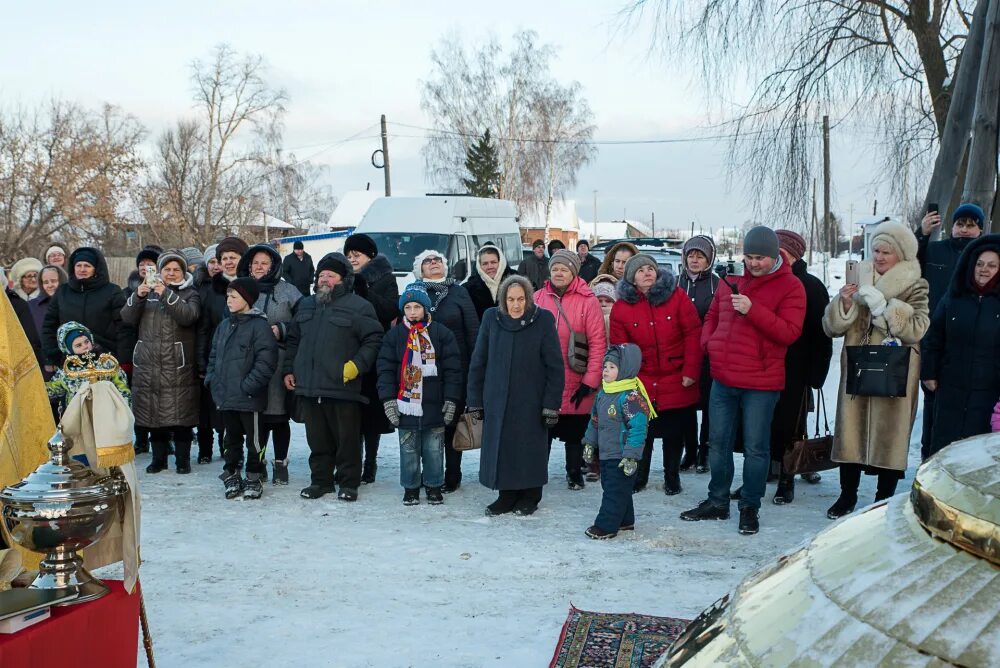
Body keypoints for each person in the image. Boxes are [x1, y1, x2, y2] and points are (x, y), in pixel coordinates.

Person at [680, 226, 805, 535]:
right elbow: (712, 316)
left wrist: (754, 310)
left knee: (756, 448)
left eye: (760, 257)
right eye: (748, 256)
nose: (753, 263)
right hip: (723, 377)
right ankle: (718, 502)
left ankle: (750, 506)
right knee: (718, 444)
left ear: (775, 255)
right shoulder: (731, 280)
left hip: (761, 382)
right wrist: (710, 343)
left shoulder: (791, 286)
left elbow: (789, 332)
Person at [823, 220, 928, 519]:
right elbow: (832, 327)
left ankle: (883, 499)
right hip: (858, 365)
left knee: (890, 435)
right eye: (876, 250)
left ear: (902, 254)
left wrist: (884, 308)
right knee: (851, 432)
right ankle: (847, 495)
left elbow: (917, 328)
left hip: (896, 370)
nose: (879, 257)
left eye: (887, 252)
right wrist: (844, 302)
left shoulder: (916, 284)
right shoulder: (859, 280)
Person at [283, 253, 383, 501]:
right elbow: (294, 340)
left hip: (343, 386)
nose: (324, 279)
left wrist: (356, 366)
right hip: (309, 385)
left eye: (331, 275)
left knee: (347, 440)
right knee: (317, 440)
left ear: (343, 280)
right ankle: (321, 482)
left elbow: (373, 339)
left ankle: (349, 484)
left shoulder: (359, 306)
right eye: (321, 275)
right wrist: (289, 369)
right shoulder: (306, 305)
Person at [467, 275, 565, 516]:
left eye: (521, 299)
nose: (516, 305)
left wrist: (551, 404)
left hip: (531, 399)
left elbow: (555, 366)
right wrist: (475, 401)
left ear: (528, 299)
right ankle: (506, 494)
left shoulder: (543, 320)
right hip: (497, 398)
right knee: (502, 447)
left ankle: (530, 496)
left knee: (529, 448)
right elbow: (479, 361)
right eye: (511, 299)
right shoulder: (491, 318)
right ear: (503, 300)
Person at [610, 254, 702, 494]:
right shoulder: (622, 308)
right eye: (641, 271)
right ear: (632, 279)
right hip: (641, 381)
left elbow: (693, 334)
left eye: (651, 268)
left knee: (674, 432)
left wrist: (691, 370)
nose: (647, 273)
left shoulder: (677, 297)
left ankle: (672, 477)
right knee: (642, 432)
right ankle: (640, 476)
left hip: (676, 377)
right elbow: (621, 349)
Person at [377, 283, 462, 505]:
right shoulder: (394, 336)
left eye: (417, 307)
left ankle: (434, 486)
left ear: (426, 308)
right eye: (408, 307)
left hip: (434, 405)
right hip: (405, 404)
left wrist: (451, 399)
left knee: (434, 450)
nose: (413, 312)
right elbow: (385, 369)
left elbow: (453, 369)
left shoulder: (441, 334)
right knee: (408, 451)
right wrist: (388, 400)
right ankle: (411, 487)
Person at [121, 249, 201, 475]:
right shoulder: (147, 292)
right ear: (160, 271)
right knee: (153, 413)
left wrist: (165, 293)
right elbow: (126, 317)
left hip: (177, 363)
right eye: (167, 269)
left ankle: (183, 460)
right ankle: (159, 459)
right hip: (148, 362)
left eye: (176, 270)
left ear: (183, 272)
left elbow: (188, 316)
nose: (172, 273)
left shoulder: (189, 293)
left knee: (181, 415)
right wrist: (138, 295)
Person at [767, 230, 832, 504]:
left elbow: (822, 334)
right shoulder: (764, 282)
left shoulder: (812, 286)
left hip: (796, 368)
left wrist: (816, 374)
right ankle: (764, 472)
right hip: (765, 366)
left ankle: (787, 479)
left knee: (791, 425)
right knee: (763, 423)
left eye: (780, 252)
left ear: (793, 255)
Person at [921, 234, 1000, 457]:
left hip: (988, 393)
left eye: (992, 265)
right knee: (943, 448)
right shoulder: (954, 297)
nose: (984, 270)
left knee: (977, 452)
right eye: (980, 264)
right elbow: (934, 336)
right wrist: (929, 372)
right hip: (950, 389)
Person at [534, 249, 607, 490]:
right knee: (541, 429)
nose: (559, 273)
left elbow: (598, 343)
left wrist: (591, 380)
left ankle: (574, 472)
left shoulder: (588, 301)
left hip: (577, 376)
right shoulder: (537, 299)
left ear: (574, 272)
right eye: (555, 269)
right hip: (543, 378)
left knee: (575, 432)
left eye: (564, 269)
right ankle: (536, 472)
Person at [916, 202, 984, 460]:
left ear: (980, 229)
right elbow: (911, 259)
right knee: (933, 412)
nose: (964, 230)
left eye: (971, 225)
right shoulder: (935, 250)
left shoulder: (985, 256)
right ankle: (928, 464)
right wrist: (922, 233)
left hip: (972, 346)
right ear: (951, 226)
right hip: (935, 342)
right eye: (960, 224)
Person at [205, 276, 279, 500]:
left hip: (249, 397)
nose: (228, 300)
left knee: (255, 441)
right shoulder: (225, 325)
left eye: (234, 296)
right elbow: (214, 356)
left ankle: (254, 476)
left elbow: (266, 363)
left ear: (247, 299)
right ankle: (231, 474)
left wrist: (248, 386)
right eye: (228, 296)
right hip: (226, 396)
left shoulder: (259, 326)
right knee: (230, 439)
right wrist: (212, 380)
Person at [413, 248, 480, 493]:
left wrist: (475, 367)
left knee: (451, 420)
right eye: (427, 261)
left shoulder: (459, 292)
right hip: (421, 370)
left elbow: (473, 330)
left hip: (456, 368)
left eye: (437, 260)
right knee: (426, 421)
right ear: (419, 269)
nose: (433, 263)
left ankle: (453, 472)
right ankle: (430, 471)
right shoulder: (414, 294)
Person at [237, 244, 303, 485]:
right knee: (257, 418)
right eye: (255, 262)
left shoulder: (288, 291)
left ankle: (281, 463)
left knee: (278, 417)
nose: (259, 267)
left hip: (279, 362)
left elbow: (303, 320)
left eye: (265, 263)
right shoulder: (242, 288)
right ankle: (258, 461)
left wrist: (282, 329)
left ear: (274, 266)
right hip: (249, 362)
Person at [582, 344, 653, 539]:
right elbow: (595, 422)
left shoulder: (630, 397)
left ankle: (606, 525)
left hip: (622, 455)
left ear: (625, 370)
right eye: (605, 366)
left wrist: (631, 456)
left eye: (612, 367)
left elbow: (638, 429)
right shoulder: (604, 394)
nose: (606, 370)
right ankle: (625, 519)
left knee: (614, 491)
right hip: (606, 453)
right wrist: (590, 443)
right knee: (615, 487)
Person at [344, 233, 399, 485]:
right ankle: (352, 460)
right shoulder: (342, 278)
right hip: (349, 350)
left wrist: (364, 289)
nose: (352, 259)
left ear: (370, 257)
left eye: (358, 255)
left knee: (370, 412)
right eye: (349, 255)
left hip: (376, 351)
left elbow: (389, 310)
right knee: (350, 411)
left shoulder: (386, 278)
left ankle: (371, 462)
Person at [196, 237, 248, 457]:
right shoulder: (211, 289)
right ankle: (226, 448)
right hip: (219, 355)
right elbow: (204, 328)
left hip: (247, 357)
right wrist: (201, 360)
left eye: (232, 257)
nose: (227, 262)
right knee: (219, 407)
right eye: (223, 258)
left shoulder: (250, 286)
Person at [41, 247, 126, 371]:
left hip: (105, 360)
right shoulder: (62, 292)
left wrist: (122, 359)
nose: (82, 269)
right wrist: (54, 355)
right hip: (69, 362)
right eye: (78, 265)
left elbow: (123, 328)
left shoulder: (112, 291)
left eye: (87, 265)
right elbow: (49, 326)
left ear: (95, 268)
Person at [677, 235, 719, 474]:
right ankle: (689, 450)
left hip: (708, 356)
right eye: (691, 255)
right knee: (686, 405)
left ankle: (705, 451)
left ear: (708, 259)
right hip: (681, 355)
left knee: (710, 405)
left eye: (700, 256)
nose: (694, 260)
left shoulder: (716, 285)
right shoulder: (674, 282)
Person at [119, 245, 162, 455]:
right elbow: (124, 320)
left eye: (150, 264)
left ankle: (161, 440)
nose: (146, 267)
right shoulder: (127, 291)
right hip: (133, 350)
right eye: (142, 264)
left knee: (158, 397)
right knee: (138, 398)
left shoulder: (164, 290)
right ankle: (141, 438)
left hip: (157, 351)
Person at [46, 321, 131, 411]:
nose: (85, 346)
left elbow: (122, 386)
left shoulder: (106, 362)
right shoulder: (66, 371)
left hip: (109, 413)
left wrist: (124, 409)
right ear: (69, 350)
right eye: (79, 345)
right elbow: (53, 389)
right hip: (81, 417)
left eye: (87, 342)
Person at [193, 244, 222, 462]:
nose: (216, 266)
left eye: (219, 262)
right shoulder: (197, 285)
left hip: (223, 350)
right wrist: (200, 358)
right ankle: (205, 449)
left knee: (222, 405)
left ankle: (226, 445)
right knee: (204, 407)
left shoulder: (230, 287)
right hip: (203, 346)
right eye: (212, 262)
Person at [28, 264, 67, 379]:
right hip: (43, 367)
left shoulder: (72, 303)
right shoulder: (32, 306)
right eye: (46, 282)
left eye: (54, 281)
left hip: (70, 364)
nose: (50, 285)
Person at [465, 243, 516, 319]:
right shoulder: (469, 289)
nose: (490, 267)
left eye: (493, 262)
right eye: (485, 263)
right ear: (479, 266)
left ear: (500, 262)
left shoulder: (516, 282)